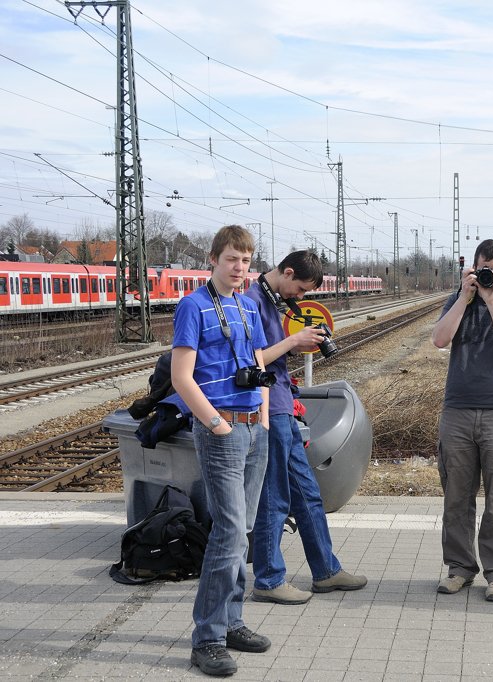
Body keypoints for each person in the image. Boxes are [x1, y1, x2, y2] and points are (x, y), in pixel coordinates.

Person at [170, 225, 272, 676]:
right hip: (222, 430)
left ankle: (232, 621)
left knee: (242, 530)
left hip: (254, 430)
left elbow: (258, 365)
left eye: (247, 261)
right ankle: (207, 637)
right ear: (213, 258)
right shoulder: (193, 306)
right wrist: (216, 424)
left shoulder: (248, 305)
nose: (240, 268)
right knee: (228, 532)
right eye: (232, 259)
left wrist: (265, 420)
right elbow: (181, 377)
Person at [244, 250, 368, 605]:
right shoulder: (252, 301)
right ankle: (268, 578)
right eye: (299, 288)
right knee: (275, 498)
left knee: (308, 495)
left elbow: (272, 353)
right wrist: (293, 342)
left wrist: (295, 348)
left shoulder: (273, 300)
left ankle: (327, 571)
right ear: (286, 272)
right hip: (270, 410)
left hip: (283, 404)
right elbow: (250, 359)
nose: (299, 297)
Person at [430, 239, 493, 602]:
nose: (492, 276)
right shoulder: (457, 300)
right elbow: (439, 340)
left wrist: (491, 301)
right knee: (456, 496)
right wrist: (463, 296)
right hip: (457, 410)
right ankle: (459, 568)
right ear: (472, 268)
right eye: (486, 270)